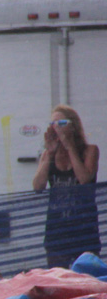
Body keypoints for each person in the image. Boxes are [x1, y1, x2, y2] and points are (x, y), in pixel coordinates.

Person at [32, 104, 100, 268]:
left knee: (85, 276)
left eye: (61, 123)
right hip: (57, 230)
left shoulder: (89, 151)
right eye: (52, 124)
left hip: (84, 229)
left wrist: (70, 147)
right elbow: (38, 186)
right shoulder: (48, 154)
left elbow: (84, 179)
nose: (56, 128)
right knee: (58, 276)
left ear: (73, 126)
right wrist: (49, 154)